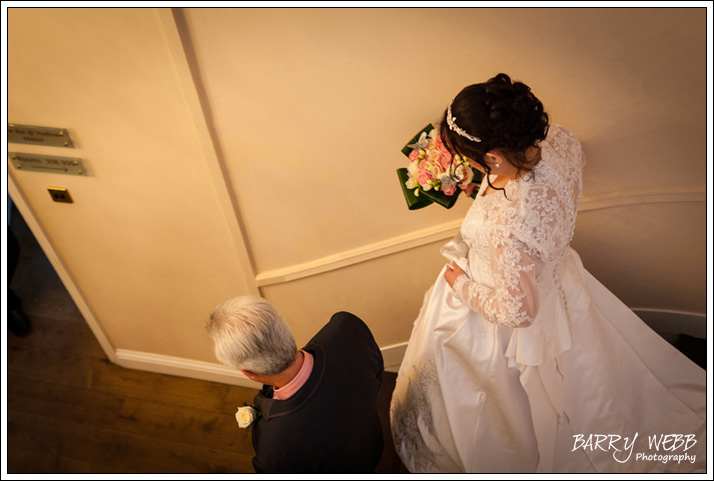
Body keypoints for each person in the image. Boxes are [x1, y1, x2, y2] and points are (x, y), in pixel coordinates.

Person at [389, 73, 706, 473]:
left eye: (466, 156)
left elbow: (518, 313)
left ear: (493, 157)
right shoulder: (558, 141)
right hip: (560, 283)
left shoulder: (510, 222)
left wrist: (461, 284)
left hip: (510, 321)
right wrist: (485, 185)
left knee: (517, 406)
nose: (462, 162)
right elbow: (552, 190)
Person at [205, 296, 385, 473]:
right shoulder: (347, 326)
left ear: (248, 373)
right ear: (285, 328)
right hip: (374, 444)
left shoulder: (273, 453)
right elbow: (377, 372)